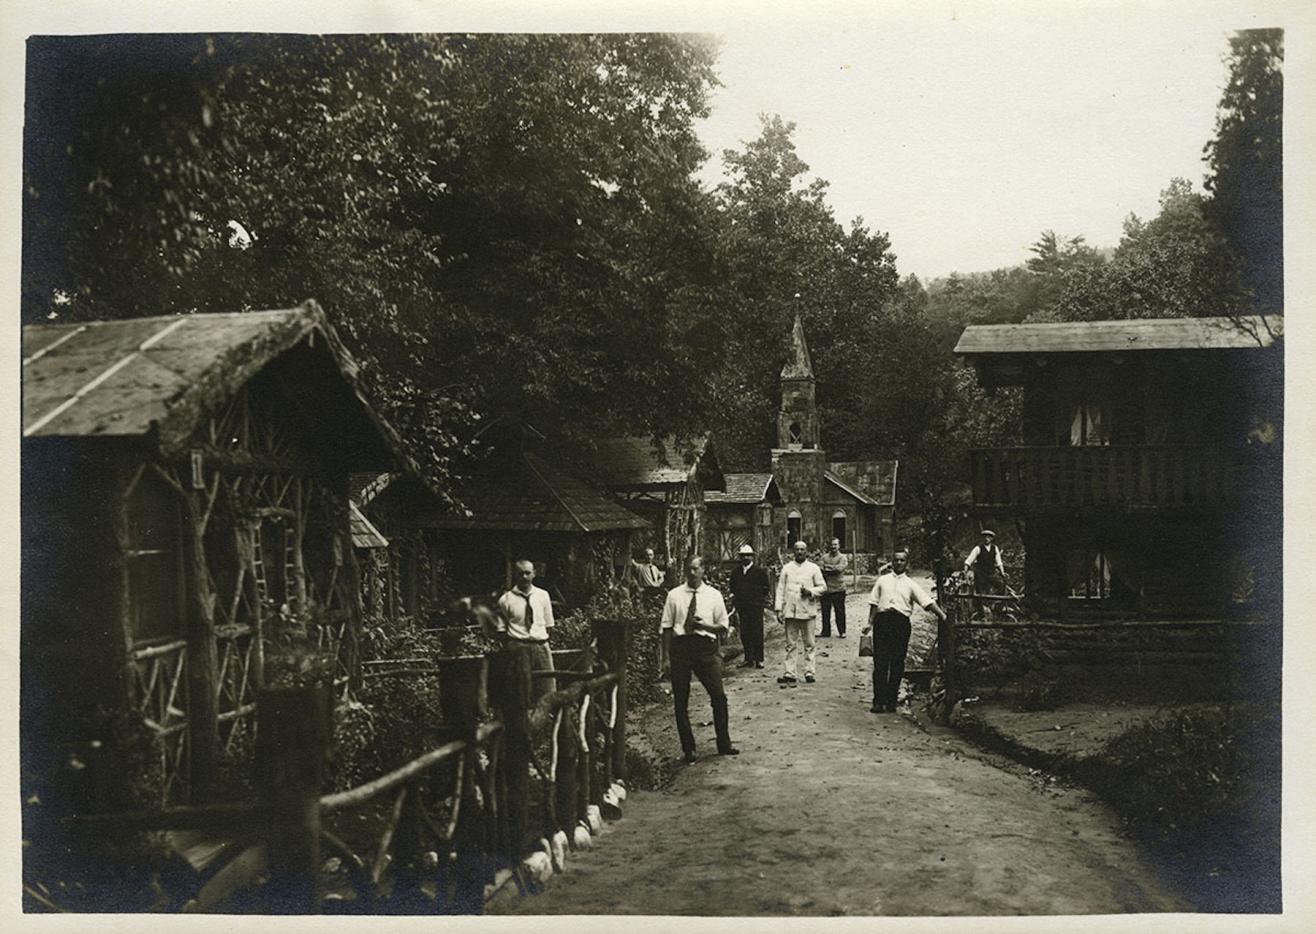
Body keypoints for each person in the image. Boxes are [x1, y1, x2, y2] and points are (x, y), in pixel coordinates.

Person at [660, 556, 740, 762]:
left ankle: (724, 743)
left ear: (703, 570)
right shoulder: (674, 595)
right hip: (681, 648)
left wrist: (703, 626)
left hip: (705, 648)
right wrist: (666, 658)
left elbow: (722, 625)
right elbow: (667, 628)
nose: (692, 573)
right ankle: (689, 749)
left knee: (719, 696)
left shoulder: (713, 595)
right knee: (681, 700)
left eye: (695, 568)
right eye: (689, 569)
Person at [862, 548, 946, 713]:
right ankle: (878, 701)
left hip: (900, 624)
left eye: (902, 560)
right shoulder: (882, 580)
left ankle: (891, 701)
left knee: (897, 663)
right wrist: (869, 623)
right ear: (891, 562)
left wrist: (943, 615)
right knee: (880, 662)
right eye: (896, 560)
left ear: (907, 564)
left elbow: (927, 602)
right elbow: (874, 602)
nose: (899, 563)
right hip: (882, 622)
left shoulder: (911, 584)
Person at [497, 559, 556, 703]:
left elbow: (549, 625)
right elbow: (500, 631)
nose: (524, 577)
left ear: (534, 574)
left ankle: (547, 723)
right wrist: (515, 647)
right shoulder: (505, 599)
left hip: (541, 647)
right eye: (520, 574)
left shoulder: (543, 595)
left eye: (527, 573)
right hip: (518, 648)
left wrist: (539, 642)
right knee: (520, 693)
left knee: (547, 691)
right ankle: (523, 724)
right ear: (515, 575)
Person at [774, 540, 826, 684]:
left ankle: (809, 672)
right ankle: (790, 673)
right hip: (791, 610)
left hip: (807, 610)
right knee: (790, 643)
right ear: (793, 552)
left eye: (802, 549)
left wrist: (810, 591)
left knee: (809, 643)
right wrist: (779, 609)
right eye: (797, 549)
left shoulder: (813, 568)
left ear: (806, 551)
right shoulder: (787, 568)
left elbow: (823, 587)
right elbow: (780, 589)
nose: (800, 552)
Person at [729, 543, 770, 668]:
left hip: (756, 606)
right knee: (745, 633)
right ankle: (748, 659)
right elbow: (733, 587)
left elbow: (766, 588)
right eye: (743, 556)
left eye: (748, 555)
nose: (746, 558)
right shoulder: (736, 572)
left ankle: (759, 659)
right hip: (742, 606)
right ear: (740, 557)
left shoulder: (759, 572)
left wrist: (757, 599)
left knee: (757, 632)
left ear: (752, 557)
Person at [818, 537, 849, 638]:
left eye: (835, 544)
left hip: (839, 588)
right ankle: (825, 632)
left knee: (839, 611)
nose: (833, 547)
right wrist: (832, 568)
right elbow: (820, 568)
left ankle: (842, 631)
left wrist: (828, 568)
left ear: (839, 546)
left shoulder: (843, 558)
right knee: (825, 611)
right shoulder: (824, 557)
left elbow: (839, 569)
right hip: (826, 589)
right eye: (831, 545)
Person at [963, 529, 1007, 596]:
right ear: (982, 538)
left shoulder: (995, 548)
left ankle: (997, 604)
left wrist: (1002, 572)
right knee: (980, 591)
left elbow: (999, 562)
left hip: (991, 573)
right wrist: (965, 571)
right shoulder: (978, 548)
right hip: (981, 573)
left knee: (1001, 584)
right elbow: (968, 561)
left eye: (989, 537)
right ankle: (979, 605)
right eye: (985, 537)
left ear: (991, 539)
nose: (987, 539)